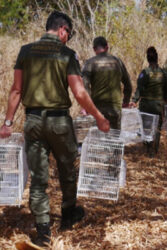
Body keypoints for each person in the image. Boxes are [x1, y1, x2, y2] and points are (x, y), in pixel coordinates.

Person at [0, 11, 110, 246]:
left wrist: (7, 123)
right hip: (59, 122)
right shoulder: (66, 54)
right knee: (67, 169)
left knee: (38, 179)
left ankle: (43, 233)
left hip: (33, 122)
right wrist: (99, 117)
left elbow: (16, 90)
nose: (67, 38)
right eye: (68, 34)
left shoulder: (25, 51)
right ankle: (68, 214)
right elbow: (79, 92)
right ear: (62, 29)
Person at [82, 36, 132, 129]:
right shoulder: (118, 62)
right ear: (107, 47)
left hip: (97, 109)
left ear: (94, 49)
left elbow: (84, 85)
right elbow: (128, 84)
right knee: (114, 139)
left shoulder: (90, 63)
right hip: (115, 108)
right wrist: (126, 102)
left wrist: (86, 105)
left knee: (98, 139)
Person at [131, 46, 167, 156]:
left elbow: (139, 88)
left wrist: (134, 100)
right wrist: (166, 102)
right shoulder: (163, 73)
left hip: (146, 105)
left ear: (148, 59)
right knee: (157, 128)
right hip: (158, 105)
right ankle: (155, 150)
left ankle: (148, 149)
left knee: (146, 127)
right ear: (157, 59)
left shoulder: (145, 72)